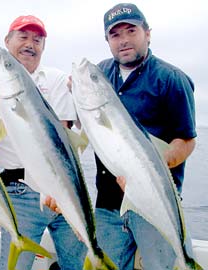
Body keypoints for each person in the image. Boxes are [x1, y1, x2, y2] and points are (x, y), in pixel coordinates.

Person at [0, 15, 87, 270]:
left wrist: (55, 187)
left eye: (38, 39)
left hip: (63, 189)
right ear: (7, 41)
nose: (30, 44)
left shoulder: (55, 80)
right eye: (23, 36)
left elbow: (64, 140)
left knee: (76, 264)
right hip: (18, 193)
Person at [93, 3, 196, 269]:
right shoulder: (99, 75)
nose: (124, 40)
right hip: (107, 208)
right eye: (115, 35)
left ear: (147, 33)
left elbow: (186, 139)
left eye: (131, 30)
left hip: (155, 204)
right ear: (107, 40)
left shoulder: (170, 79)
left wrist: (149, 171)